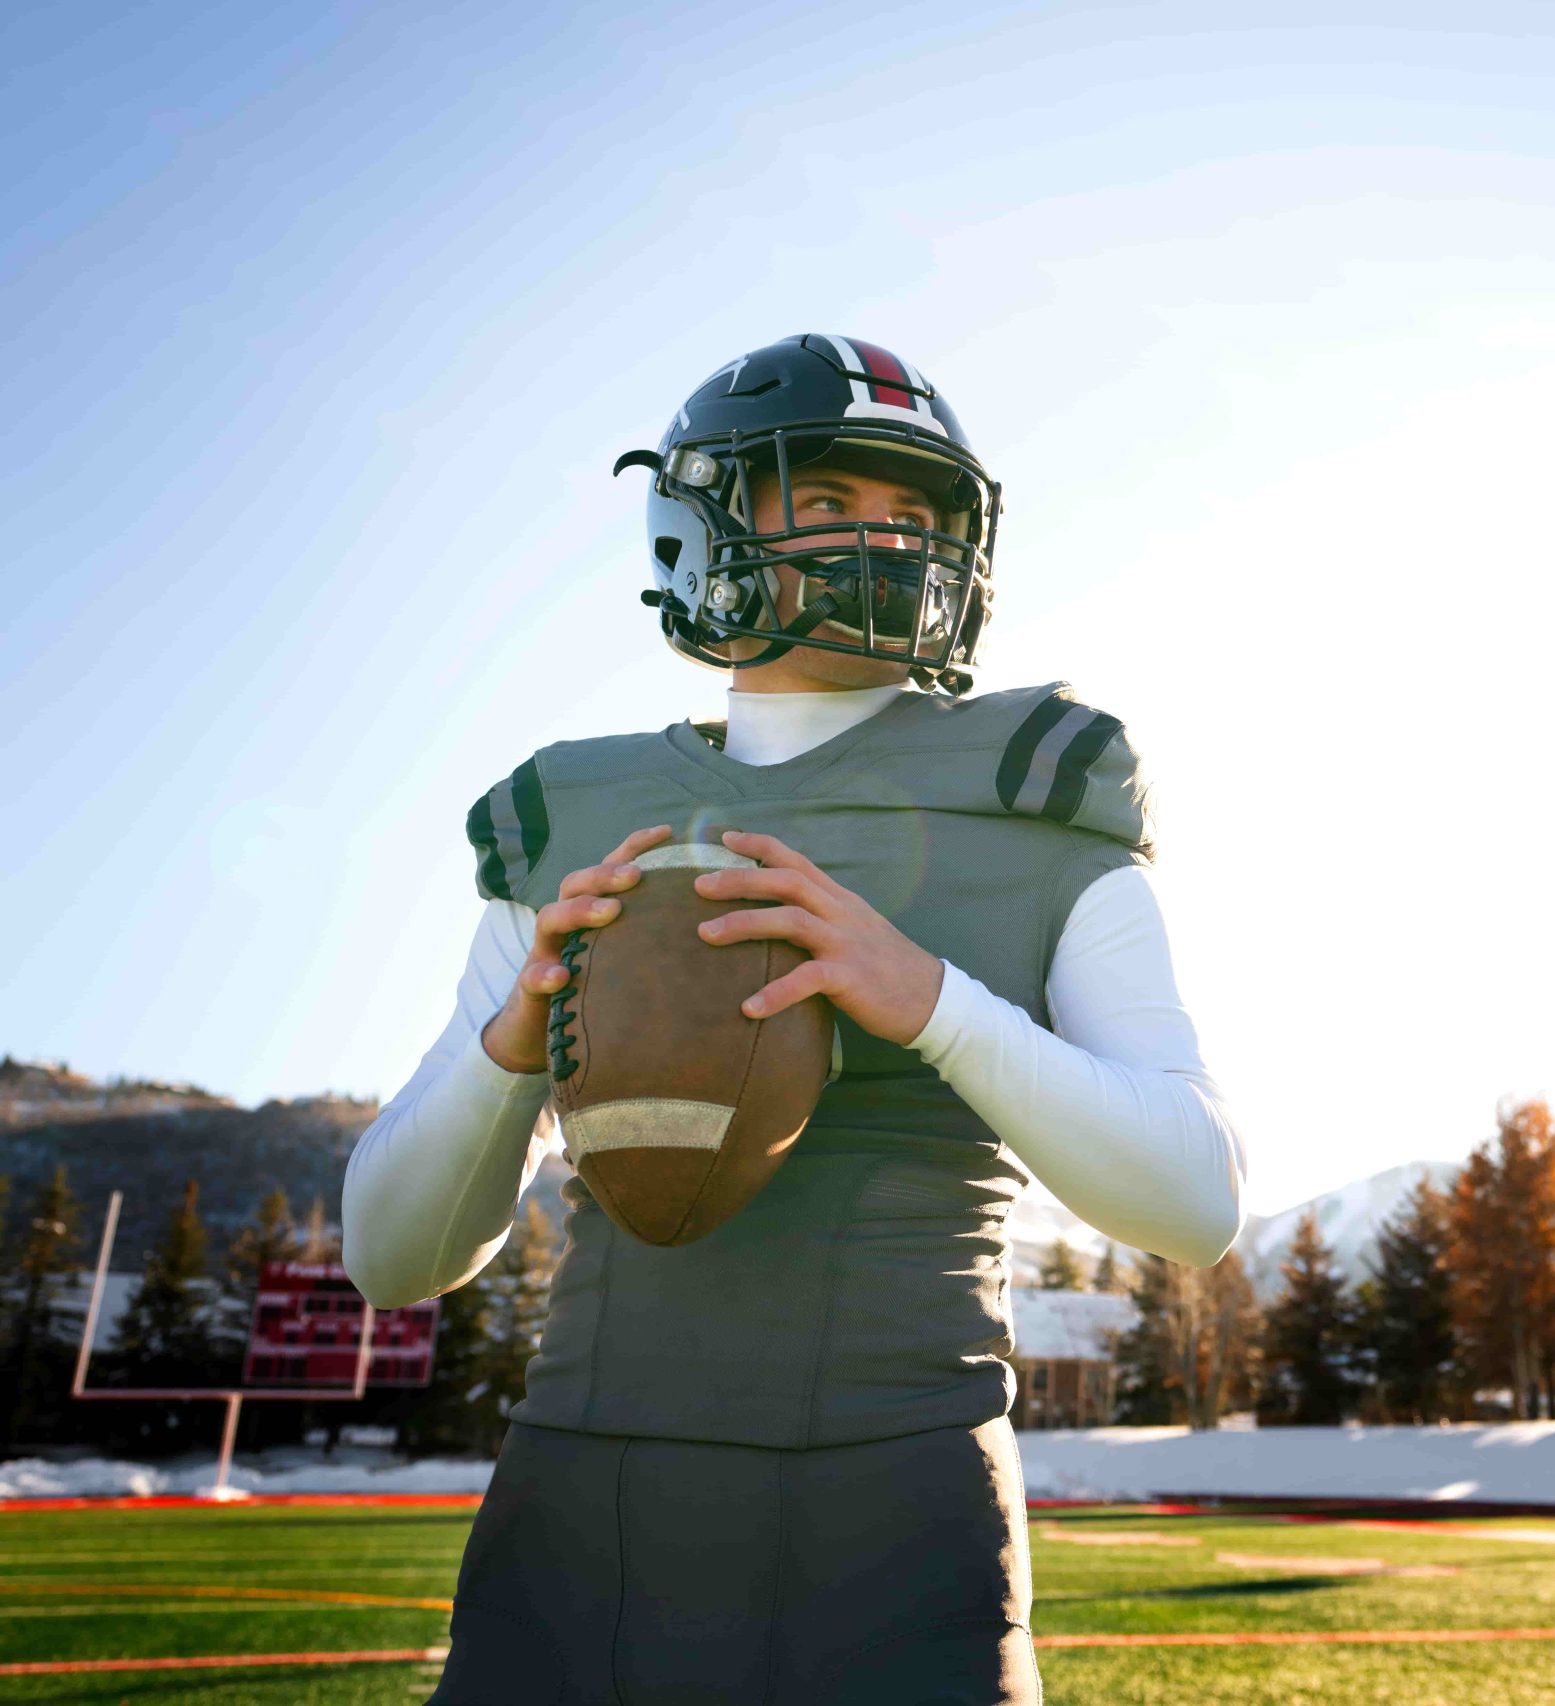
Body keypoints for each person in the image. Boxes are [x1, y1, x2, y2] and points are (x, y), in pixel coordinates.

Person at [343, 334, 1246, 1704]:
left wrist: (931, 1000)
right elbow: (392, 1255)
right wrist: (510, 1047)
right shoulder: (573, 817)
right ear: (704, 527)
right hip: (587, 1492)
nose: (885, 537)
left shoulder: (1035, 782)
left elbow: (1197, 1197)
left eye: (919, 510)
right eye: (827, 501)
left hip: (905, 1491)